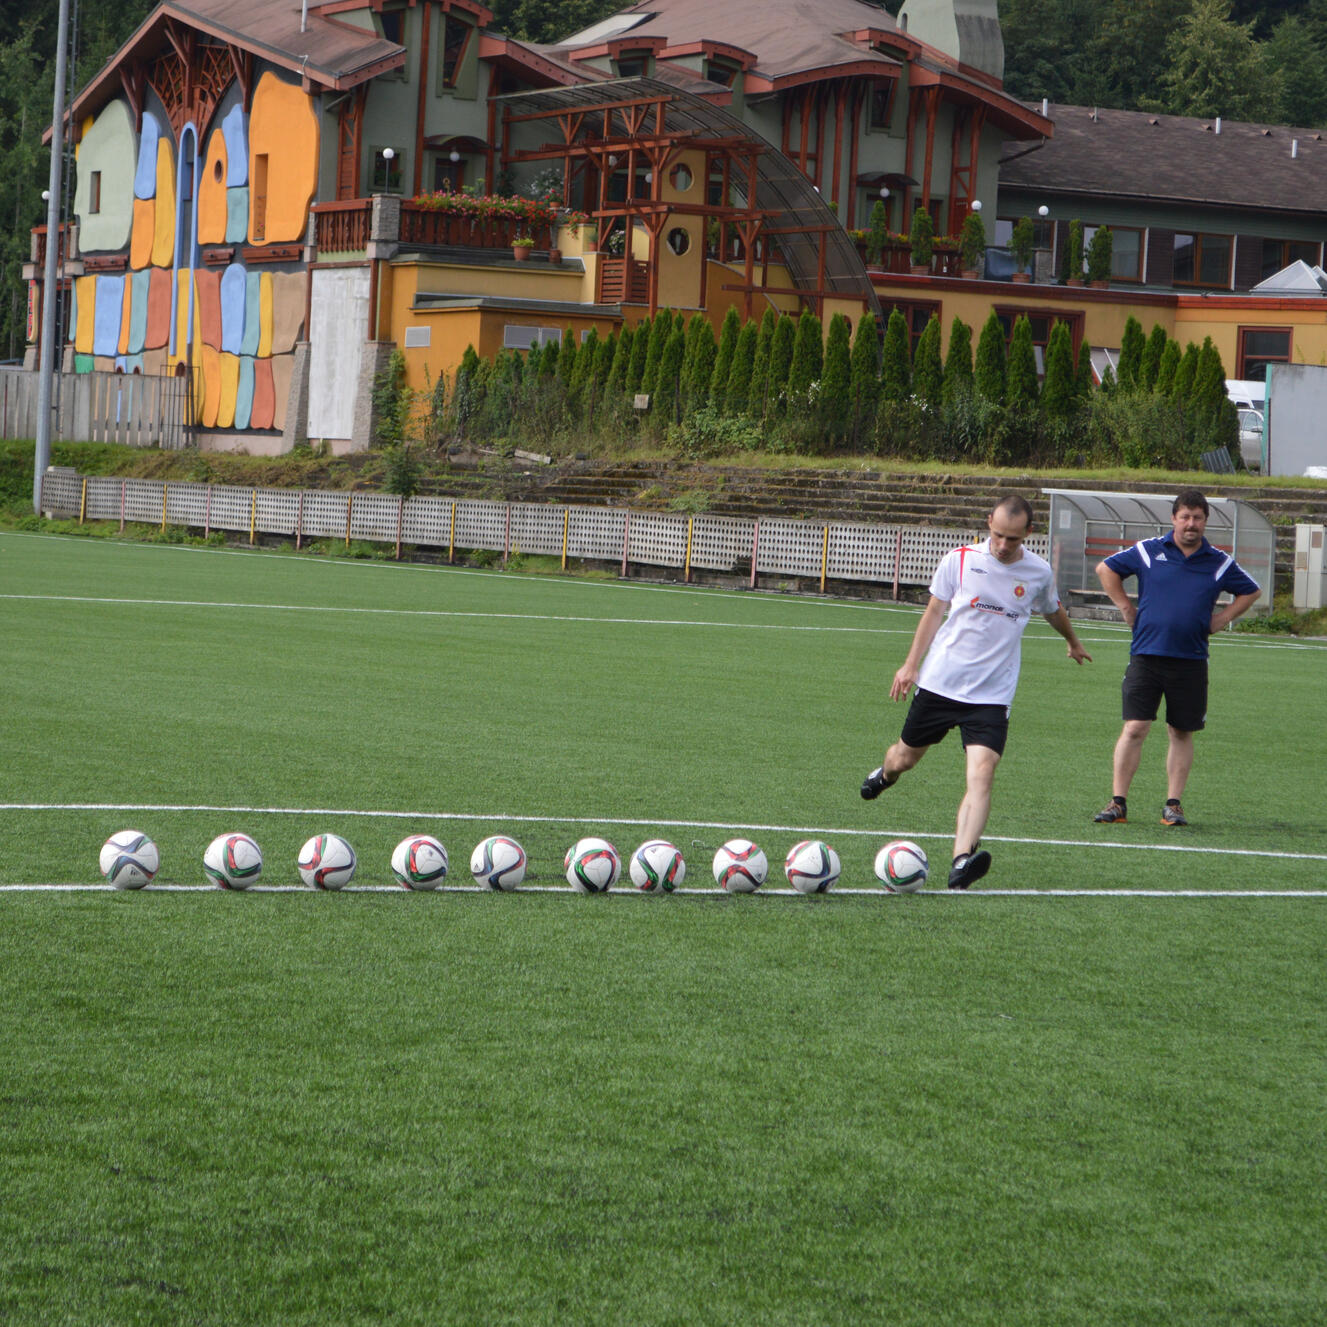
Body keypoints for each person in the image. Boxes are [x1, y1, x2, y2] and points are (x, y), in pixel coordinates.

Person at [860, 495, 1092, 889]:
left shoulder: (1037, 572)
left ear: (1028, 534)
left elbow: (1051, 608)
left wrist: (1071, 640)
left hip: (992, 695)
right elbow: (934, 610)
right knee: (903, 758)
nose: (1003, 546)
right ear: (988, 523)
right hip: (940, 683)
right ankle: (884, 775)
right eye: (998, 535)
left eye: (1013, 540)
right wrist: (910, 664)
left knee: (982, 773)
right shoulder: (960, 559)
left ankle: (962, 860)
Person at [1092, 489, 1260, 827]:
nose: (1191, 524)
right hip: (1146, 655)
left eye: (1198, 517)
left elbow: (1251, 590)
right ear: (1173, 518)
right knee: (1135, 727)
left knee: (1180, 732)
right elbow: (1105, 569)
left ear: (1205, 521)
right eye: (1185, 516)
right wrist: (1126, 606)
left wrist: (1222, 619)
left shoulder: (1218, 560)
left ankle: (1173, 805)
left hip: (1191, 660)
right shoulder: (1149, 551)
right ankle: (1118, 803)